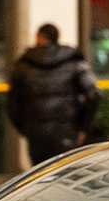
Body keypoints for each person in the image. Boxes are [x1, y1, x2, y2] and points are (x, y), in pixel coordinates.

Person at [5, 23, 101, 166]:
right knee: (65, 177)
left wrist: (25, 128)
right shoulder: (73, 61)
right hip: (66, 132)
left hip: (36, 134)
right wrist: (82, 126)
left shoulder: (24, 64)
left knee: (40, 177)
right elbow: (94, 94)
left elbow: (12, 102)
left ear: (40, 37)